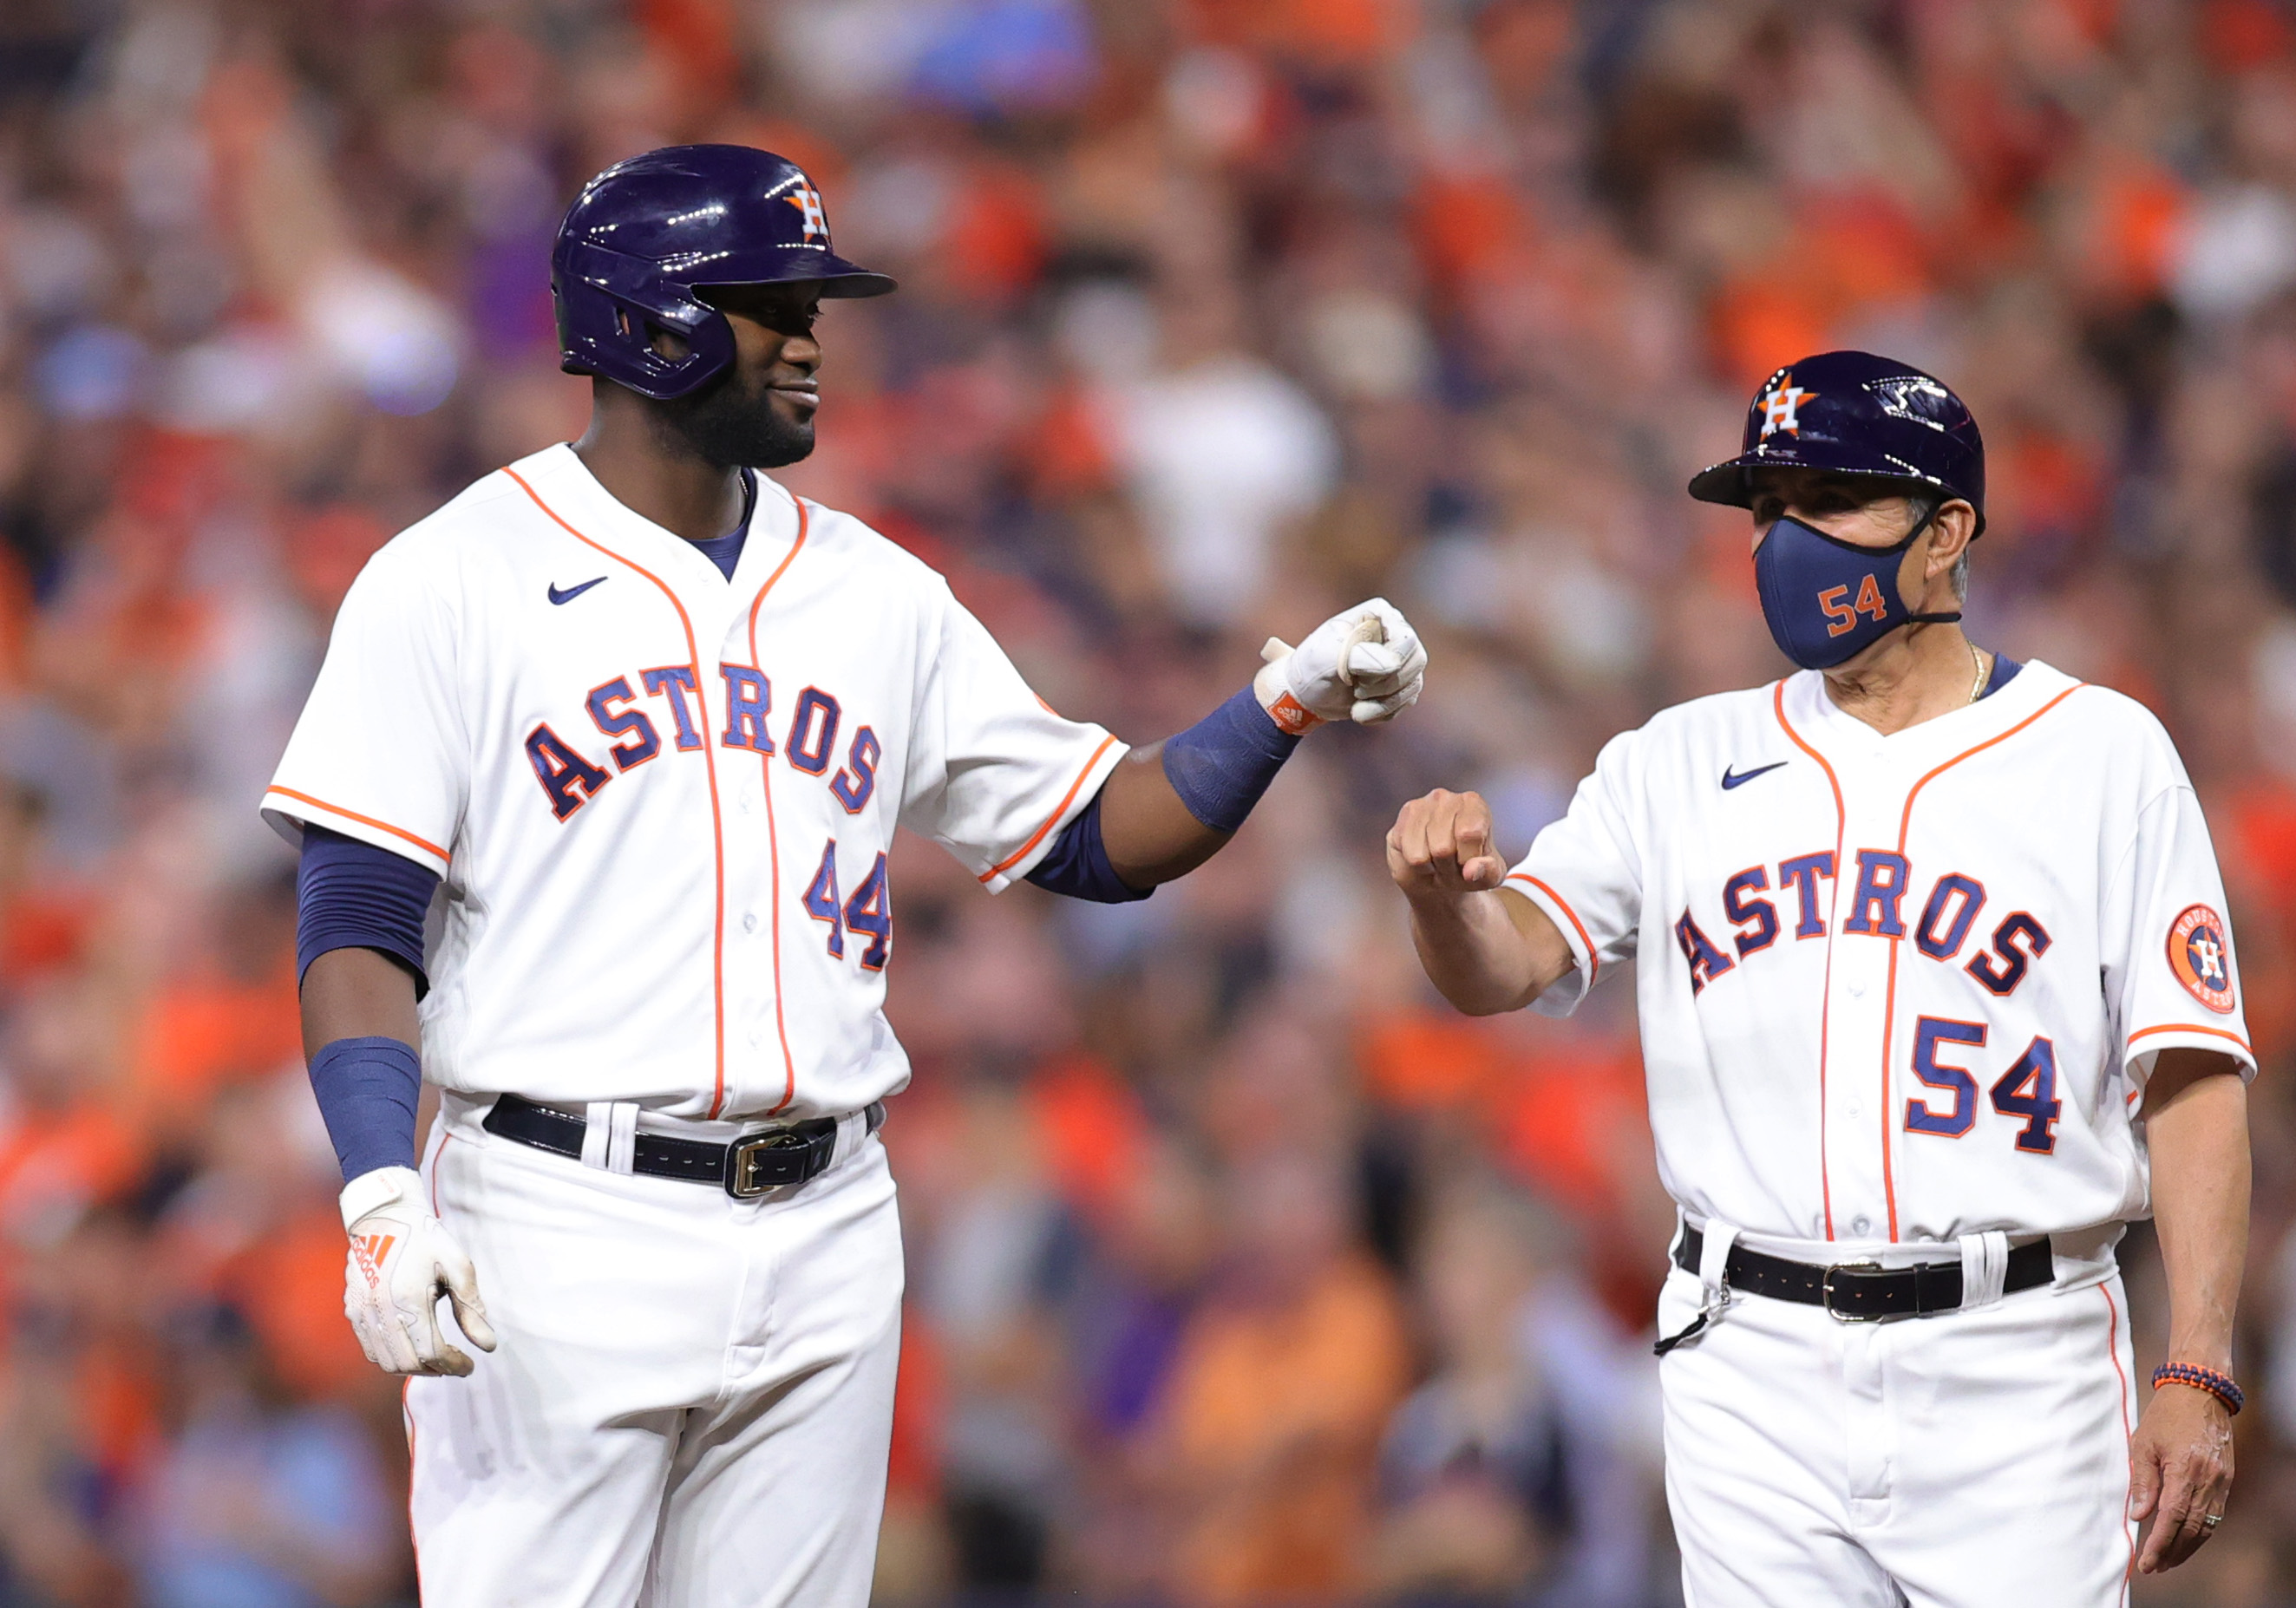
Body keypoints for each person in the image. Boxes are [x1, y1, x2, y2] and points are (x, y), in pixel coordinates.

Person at [263, 144, 1425, 1606]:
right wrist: (379, 1190)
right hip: (555, 1223)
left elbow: (1093, 835)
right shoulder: (455, 575)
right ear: (648, 318)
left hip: (825, 1223)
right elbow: (358, 917)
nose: (812, 339)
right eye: (773, 303)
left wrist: (1284, 703)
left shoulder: (876, 590)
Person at [1383, 350, 2251, 1605]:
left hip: (2016, 1355)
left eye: (1829, 498)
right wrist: (1441, 901)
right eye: (1767, 505)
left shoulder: (2102, 754)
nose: (1788, 536)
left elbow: (2192, 1073)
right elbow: (1506, 961)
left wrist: (2198, 1366)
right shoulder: (1678, 759)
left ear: (1948, 532)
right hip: (1752, 1357)